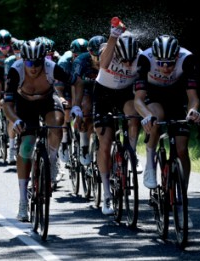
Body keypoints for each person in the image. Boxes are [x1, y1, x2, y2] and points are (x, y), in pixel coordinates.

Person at [3, 40, 84, 221]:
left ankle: (53, 159)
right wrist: (15, 120)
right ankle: (23, 201)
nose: (33, 67)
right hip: (24, 105)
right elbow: (6, 104)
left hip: (48, 100)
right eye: (29, 63)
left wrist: (77, 106)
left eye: (37, 63)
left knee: (57, 123)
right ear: (23, 60)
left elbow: (78, 83)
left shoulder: (52, 67)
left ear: (43, 60)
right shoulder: (16, 71)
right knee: (26, 146)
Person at [73, 23, 143, 216]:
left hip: (125, 94)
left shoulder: (139, 54)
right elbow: (103, 64)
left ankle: (132, 153)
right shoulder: (108, 49)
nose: (128, 65)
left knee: (133, 117)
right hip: (103, 93)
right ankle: (106, 193)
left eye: (131, 61)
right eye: (124, 61)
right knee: (105, 142)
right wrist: (112, 37)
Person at [134, 34, 200, 227]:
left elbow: (193, 96)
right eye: (162, 63)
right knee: (156, 117)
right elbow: (138, 99)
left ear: (177, 57)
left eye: (170, 63)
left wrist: (193, 111)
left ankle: (182, 199)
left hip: (175, 96)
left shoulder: (187, 58)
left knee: (181, 149)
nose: (165, 67)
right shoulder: (145, 58)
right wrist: (146, 115)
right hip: (153, 97)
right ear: (155, 57)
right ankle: (149, 164)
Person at [70, 35, 107, 166]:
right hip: (84, 89)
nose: (98, 61)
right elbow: (76, 85)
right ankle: (84, 145)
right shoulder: (81, 60)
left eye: (101, 57)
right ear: (89, 53)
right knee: (86, 109)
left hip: (103, 88)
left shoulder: (112, 58)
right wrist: (76, 107)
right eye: (95, 57)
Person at [55, 38, 88, 163]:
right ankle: (64, 142)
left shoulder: (87, 61)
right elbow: (59, 89)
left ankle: (84, 144)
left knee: (84, 109)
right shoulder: (64, 62)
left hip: (81, 86)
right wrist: (63, 101)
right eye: (76, 56)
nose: (79, 58)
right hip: (65, 87)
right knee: (66, 110)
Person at [3, 38, 24, 164]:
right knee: (13, 115)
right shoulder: (9, 62)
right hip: (14, 89)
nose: (18, 55)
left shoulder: (29, 61)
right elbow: (8, 83)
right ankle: (11, 147)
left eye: (20, 52)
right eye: (16, 52)